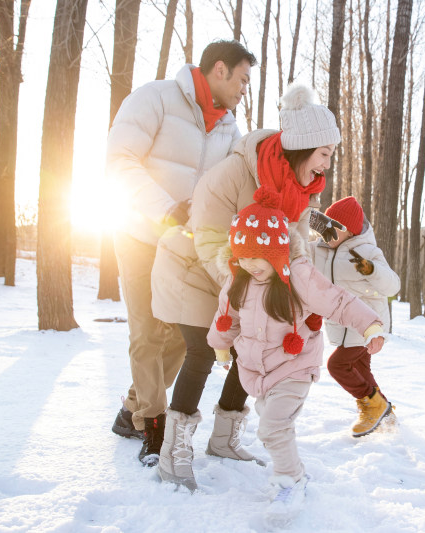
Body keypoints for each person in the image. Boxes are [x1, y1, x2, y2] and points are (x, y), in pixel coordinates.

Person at [150, 83, 342, 490]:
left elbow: (292, 246)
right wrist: (250, 291)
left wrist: (296, 287)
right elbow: (209, 239)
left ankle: (223, 439)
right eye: (324, 154)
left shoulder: (294, 189)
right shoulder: (233, 174)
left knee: (252, 346)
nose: (327, 165)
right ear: (303, 147)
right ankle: (173, 453)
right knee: (203, 351)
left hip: (245, 275)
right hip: (191, 266)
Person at [106, 40, 257, 466]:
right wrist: (165, 209)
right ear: (220, 70)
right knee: (147, 333)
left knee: (180, 333)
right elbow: (120, 160)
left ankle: (132, 405)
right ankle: (151, 425)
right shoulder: (154, 98)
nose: (246, 89)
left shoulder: (230, 130)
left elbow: (238, 183)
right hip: (139, 232)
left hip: (186, 244)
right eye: (243, 79)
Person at [206, 188, 386, 523]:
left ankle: (290, 481)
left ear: (276, 252)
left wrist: (370, 326)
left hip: (295, 366)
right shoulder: (238, 281)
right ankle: (296, 472)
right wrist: (219, 344)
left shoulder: (298, 276)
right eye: (242, 256)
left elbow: (336, 300)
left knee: (273, 426)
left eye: (257, 256)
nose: (249, 264)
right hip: (255, 371)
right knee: (274, 426)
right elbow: (225, 316)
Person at [310, 196, 400, 437]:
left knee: (337, 365)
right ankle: (385, 414)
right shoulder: (320, 250)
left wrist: (372, 269)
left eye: (330, 230)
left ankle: (373, 406)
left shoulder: (368, 251)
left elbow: (393, 287)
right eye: (322, 228)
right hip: (342, 325)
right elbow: (297, 251)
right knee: (361, 371)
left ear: (347, 231)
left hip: (367, 324)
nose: (324, 235)